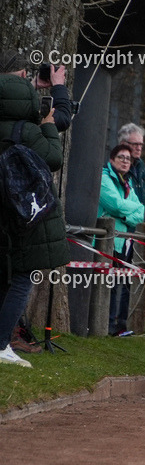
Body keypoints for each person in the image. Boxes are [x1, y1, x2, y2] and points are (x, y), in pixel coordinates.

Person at [0, 69, 70, 366]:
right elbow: (53, 157)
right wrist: (50, 125)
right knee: (20, 280)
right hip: (22, 215)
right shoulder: (28, 130)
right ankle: (2, 344)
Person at [98, 144, 145, 335]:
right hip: (104, 242)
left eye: (128, 158)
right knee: (105, 286)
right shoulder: (104, 178)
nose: (126, 161)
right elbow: (115, 205)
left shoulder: (128, 184)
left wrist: (126, 217)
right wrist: (127, 211)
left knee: (118, 286)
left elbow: (141, 211)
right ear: (112, 160)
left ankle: (114, 327)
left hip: (122, 242)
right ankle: (102, 327)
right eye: (121, 157)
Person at [117, 123, 145, 204]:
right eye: (135, 144)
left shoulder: (142, 168)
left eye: (141, 144)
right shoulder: (115, 168)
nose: (139, 148)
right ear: (123, 144)